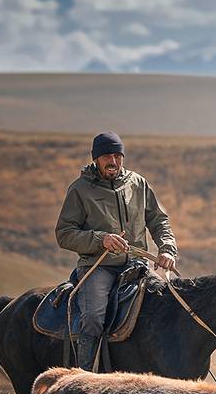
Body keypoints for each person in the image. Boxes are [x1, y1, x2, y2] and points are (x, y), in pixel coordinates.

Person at [54, 131, 177, 370]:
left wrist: (167, 248)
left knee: (168, 306)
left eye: (117, 155)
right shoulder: (80, 190)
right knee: (92, 318)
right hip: (99, 267)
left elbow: (159, 220)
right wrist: (101, 240)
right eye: (106, 156)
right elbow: (64, 234)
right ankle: (85, 379)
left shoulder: (137, 183)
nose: (113, 161)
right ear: (96, 159)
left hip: (137, 265)